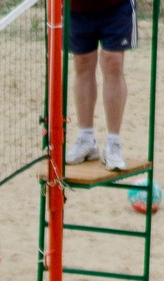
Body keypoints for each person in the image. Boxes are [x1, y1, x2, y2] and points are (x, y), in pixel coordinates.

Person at [64, 0, 137, 171]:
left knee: (113, 61)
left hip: (116, 6)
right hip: (76, 8)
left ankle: (113, 143)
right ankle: (86, 138)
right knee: (82, 61)